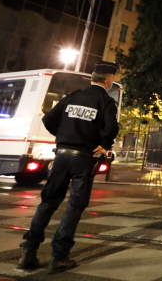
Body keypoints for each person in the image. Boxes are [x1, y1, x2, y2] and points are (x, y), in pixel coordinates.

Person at [18, 61, 120, 273]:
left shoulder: (73, 96)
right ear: (108, 81)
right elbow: (110, 129)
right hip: (84, 159)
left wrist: (65, 137)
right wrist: (102, 146)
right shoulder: (105, 101)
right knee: (74, 206)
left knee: (48, 202)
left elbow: (48, 119)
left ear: (93, 77)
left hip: (62, 156)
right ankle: (59, 256)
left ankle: (29, 252)